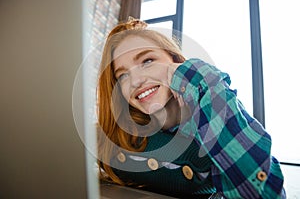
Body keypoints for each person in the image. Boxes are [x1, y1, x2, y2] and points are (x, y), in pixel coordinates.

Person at [96, 17, 285, 198]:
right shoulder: (112, 137)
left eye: (147, 61)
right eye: (123, 76)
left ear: (175, 61)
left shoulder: (213, 114)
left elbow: (262, 192)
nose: (136, 81)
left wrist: (197, 77)